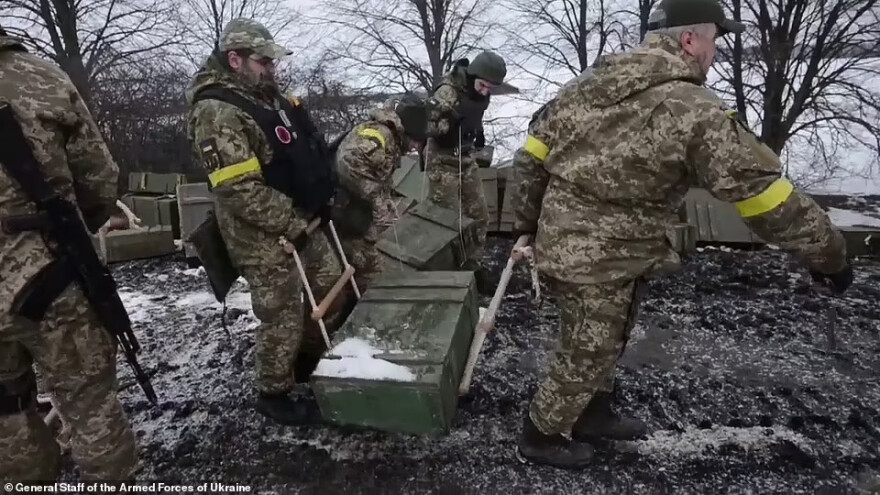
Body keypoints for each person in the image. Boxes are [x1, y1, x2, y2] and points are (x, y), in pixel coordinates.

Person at [510, 0, 854, 469]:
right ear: (690, 40)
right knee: (586, 349)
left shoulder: (588, 85)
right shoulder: (694, 110)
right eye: (714, 38)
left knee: (610, 334)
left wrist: (528, 224)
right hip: (595, 256)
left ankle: (593, 413)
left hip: (610, 247)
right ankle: (541, 435)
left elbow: (531, 156)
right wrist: (830, 256)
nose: (715, 52)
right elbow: (765, 197)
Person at [185, 18, 342, 425]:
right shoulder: (216, 111)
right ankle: (274, 390)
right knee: (282, 309)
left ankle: (303, 360)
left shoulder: (265, 96)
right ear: (234, 60)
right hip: (258, 231)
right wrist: (290, 221)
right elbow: (238, 190)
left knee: (328, 283)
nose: (272, 68)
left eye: (272, 61)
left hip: (298, 216)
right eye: (263, 62)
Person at [0, 26, 139, 480]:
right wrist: (73, 232)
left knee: (6, 408)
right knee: (90, 404)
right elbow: (100, 181)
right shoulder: (38, 77)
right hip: (49, 274)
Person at [424, 50, 507, 292]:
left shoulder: (479, 92)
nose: (485, 92)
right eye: (483, 86)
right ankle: (448, 275)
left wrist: (476, 131)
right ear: (473, 76)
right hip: (443, 160)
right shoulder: (447, 92)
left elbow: (475, 113)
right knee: (448, 223)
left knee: (479, 215)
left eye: (490, 88)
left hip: (466, 157)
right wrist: (449, 124)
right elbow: (427, 125)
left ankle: (472, 267)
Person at [332, 94, 428, 290]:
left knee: (368, 269)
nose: (414, 148)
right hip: (345, 214)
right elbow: (348, 163)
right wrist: (377, 201)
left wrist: (386, 201)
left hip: (357, 214)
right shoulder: (380, 135)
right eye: (416, 142)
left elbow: (376, 174)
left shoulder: (391, 139)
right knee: (366, 271)